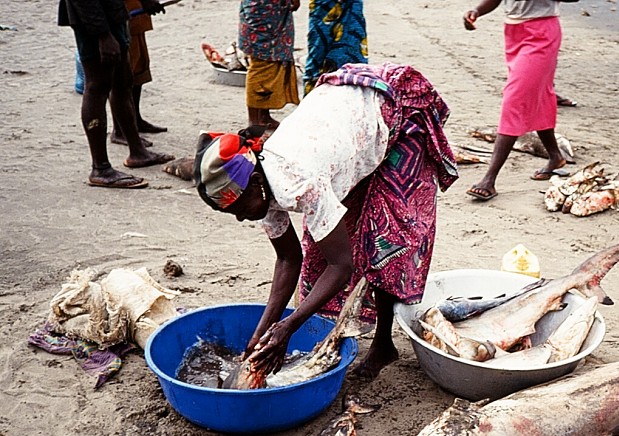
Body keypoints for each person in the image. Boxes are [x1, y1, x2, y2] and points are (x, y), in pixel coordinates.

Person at [194, 63, 458, 379]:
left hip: (390, 113)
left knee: (386, 240)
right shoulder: (260, 186)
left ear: (253, 181)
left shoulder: (298, 181)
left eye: (237, 207)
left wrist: (288, 327)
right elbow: (288, 259)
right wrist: (262, 332)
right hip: (343, 128)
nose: (239, 217)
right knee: (323, 249)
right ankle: (346, 334)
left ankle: (383, 345)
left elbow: (341, 265)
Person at [59, 0, 174, 188]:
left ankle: (137, 152)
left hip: (112, 12)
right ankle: (100, 168)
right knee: (97, 86)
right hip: (92, 18)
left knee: (123, 81)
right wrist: (102, 34)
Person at [463, 0, 568, 201]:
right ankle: (555, 156)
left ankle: (489, 179)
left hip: (542, 32)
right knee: (539, 96)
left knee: (514, 99)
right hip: (514, 32)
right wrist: (477, 10)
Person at [110, 0, 168, 146]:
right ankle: (119, 129)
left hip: (136, 12)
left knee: (138, 69)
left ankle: (135, 120)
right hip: (123, 9)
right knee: (123, 75)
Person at [238, 0, 301, 129]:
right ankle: (254, 119)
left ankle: (263, 115)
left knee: (270, 62)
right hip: (263, 12)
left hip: (272, 11)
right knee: (260, 64)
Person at [303, 0, 368, 96]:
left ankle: (350, 99)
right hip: (324, 6)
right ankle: (313, 98)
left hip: (351, 6)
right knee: (319, 54)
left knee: (351, 54)